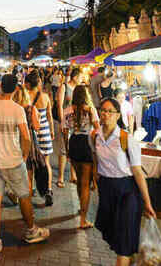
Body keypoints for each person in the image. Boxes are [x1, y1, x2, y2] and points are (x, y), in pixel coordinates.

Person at [0, 73, 49, 259]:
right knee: (24, 196)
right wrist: (24, 155)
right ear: (15, 88)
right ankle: (31, 231)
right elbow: (26, 137)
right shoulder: (17, 109)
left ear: (0, 87)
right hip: (14, 161)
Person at [91, 97, 156, 266]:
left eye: (109, 111)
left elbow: (137, 172)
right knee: (114, 235)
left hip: (127, 191)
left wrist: (147, 202)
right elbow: (95, 160)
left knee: (124, 244)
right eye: (102, 110)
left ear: (118, 115)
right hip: (107, 190)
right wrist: (96, 178)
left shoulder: (126, 139)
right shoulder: (95, 136)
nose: (105, 114)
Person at [62, 85, 99, 229]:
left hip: (74, 142)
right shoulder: (90, 110)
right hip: (86, 143)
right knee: (85, 184)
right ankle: (83, 219)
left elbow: (65, 131)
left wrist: (67, 148)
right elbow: (97, 129)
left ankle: (81, 207)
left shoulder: (67, 111)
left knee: (79, 181)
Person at [21, 71, 54, 206]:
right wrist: (52, 131)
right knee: (45, 162)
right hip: (44, 130)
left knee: (30, 164)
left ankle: (31, 189)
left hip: (30, 132)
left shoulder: (25, 97)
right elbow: (49, 116)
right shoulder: (45, 97)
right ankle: (48, 190)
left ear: (28, 84)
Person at [56, 67, 80, 186]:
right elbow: (60, 105)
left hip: (76, 122)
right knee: (64, 149)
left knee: (74, 148)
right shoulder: (64, 87)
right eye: (80, 77)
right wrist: (62, 122)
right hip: (66, 121)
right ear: (75, 77)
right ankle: (60, 177)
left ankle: (73, 175)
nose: (82, 79)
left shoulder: (79, 88)